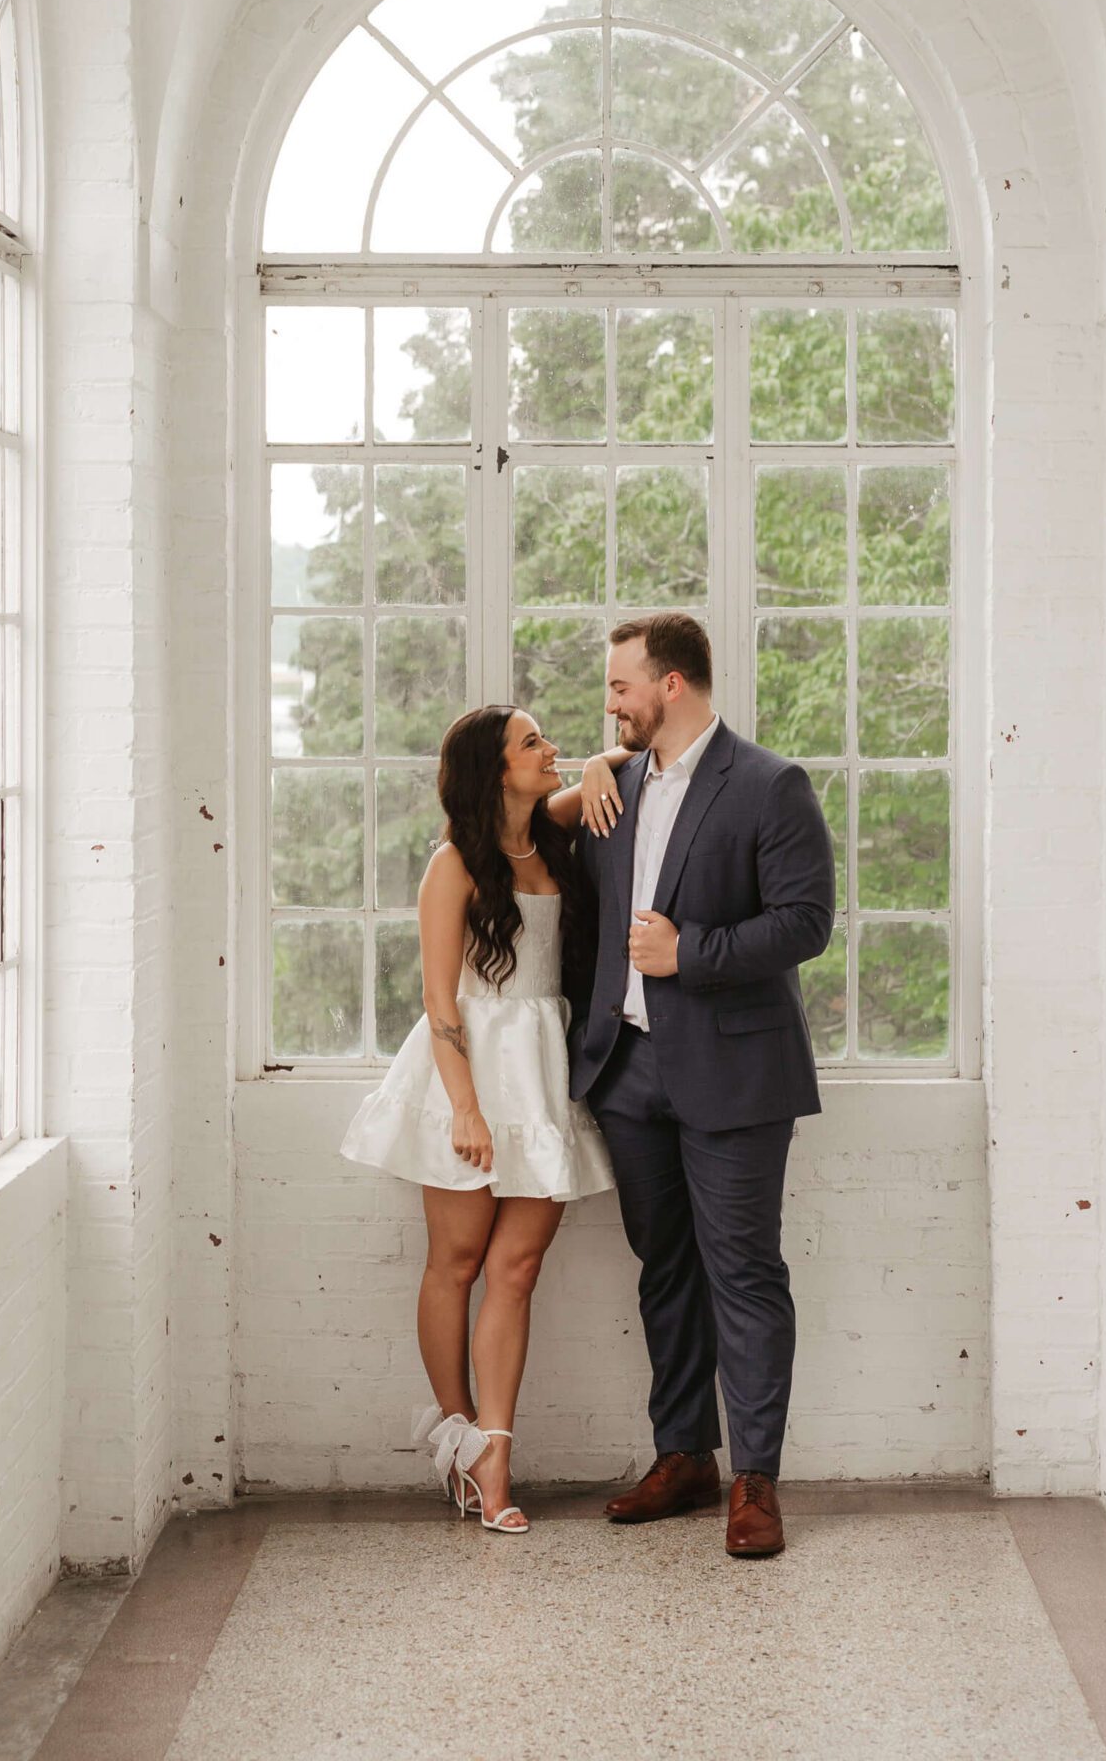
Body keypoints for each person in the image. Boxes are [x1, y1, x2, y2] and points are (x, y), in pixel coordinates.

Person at [569, 612, 835, 1559]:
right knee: (666, 1270)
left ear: (671, 683)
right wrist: (597, 764)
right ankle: (683, 1456)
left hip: (736, 1073)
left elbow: (806, 924)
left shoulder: (770, 786)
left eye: (621, 686)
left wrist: (693, 954)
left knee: (745, 1274)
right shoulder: (616, 786)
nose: (612, 702)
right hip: (629, 1073)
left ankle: (755, 1480)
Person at [340, 705, 623, 1533]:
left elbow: (618, 758)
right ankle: (461, 1445)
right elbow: (438, 1000)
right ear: (495, 769)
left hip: (540, 1067)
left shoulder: (553, 834)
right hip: (464, 1070)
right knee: (457, 1263)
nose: (551, 752)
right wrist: (464, 1108)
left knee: (517, 1268)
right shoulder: (453, 864)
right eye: (533, 743)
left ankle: (496, 1451)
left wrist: (602, 766)